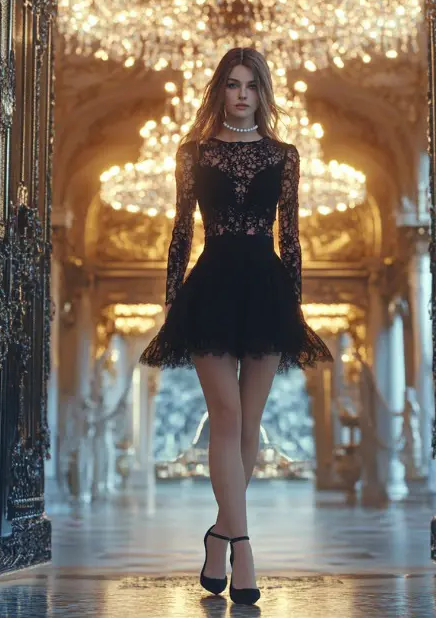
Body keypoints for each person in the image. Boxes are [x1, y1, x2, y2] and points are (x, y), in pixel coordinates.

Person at [139, 46, 333, 605]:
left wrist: (293, 307)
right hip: (211, 287)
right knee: (225, 415)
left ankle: (218, 534)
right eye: (232, 84)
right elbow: (180, 233)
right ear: (219, 90)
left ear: (262, 93)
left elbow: (290, 236)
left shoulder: (286, 155)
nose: (242, 94)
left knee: (250, 420)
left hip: (267, 289)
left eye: (250, 85)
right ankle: (243, 543)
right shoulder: (192, 153)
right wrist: (172, 302)